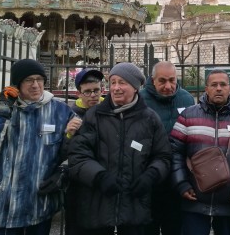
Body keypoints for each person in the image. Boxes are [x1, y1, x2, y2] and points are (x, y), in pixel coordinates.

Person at [0, 59, 78, 235]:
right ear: (18, 84)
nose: (35, 85)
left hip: (38, 205)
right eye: (29, 80)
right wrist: (2, 110)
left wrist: (64, 170)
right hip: (2, 207)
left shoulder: (61, 111)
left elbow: (75, 149)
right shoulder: (5, 109)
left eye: (39, 79)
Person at [68, 62, 172, 235]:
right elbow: (78, 155)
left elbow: (163, 156)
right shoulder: (94, 116)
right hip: (98, 206)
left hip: (135, 208)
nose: (116, 88)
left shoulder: (150, 119)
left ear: (136, 87)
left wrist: (151, 175)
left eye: (122, 82)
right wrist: (99, 176)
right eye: (113, 82)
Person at [169, 69, 230, 235]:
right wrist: (181, 184)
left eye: (223, 84)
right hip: (194, 198)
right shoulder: (188, 116)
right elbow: (175, 154)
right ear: (206, 89)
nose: (219, 88)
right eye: (214, 85)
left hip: (228, 200)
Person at [140, 61, 195, 235]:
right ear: (152, 80)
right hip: (150, 177)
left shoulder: (186, 98)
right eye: (162, 81)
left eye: (172, 80)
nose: (168, 86)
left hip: (178, 177)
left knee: (175, 227)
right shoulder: (140, 99)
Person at [66, 68, 105, 235]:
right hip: (79, 183)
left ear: (102, 90)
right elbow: (63, 151)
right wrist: (67, 134)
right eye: (87, 92)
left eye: (96, 90)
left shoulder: (110, 109)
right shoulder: (70, 114)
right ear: (78, 93)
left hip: (104, 178)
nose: (93, 96)